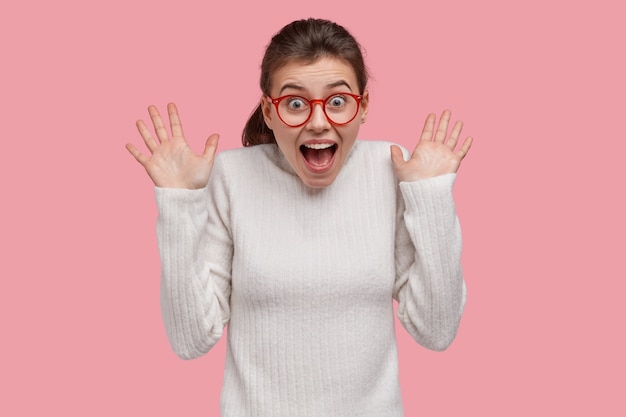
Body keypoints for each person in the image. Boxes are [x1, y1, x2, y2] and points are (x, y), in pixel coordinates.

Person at [126, 18, 472, 417]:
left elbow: (437, 330)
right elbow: (190, 341)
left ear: (363, 108)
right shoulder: (232, 177)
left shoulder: (392, 171)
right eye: (295, 103)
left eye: (338, 101)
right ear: (268, 112)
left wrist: (431, 197)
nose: (319, 121)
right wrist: (179, 203)